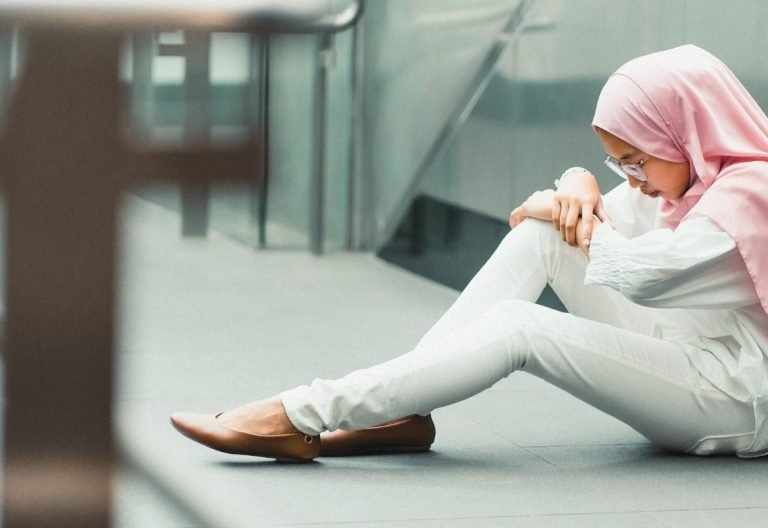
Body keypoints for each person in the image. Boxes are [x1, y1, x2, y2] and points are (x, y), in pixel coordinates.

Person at [171, 44, 768, 462]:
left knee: (521, 327)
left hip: (732, 399)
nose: (630, 177)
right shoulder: (687, 182)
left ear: (683, 131)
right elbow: (568, 217)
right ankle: (403, 412)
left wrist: (570, 193)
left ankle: (303, 411)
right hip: (681, 351)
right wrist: (578, 180)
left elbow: (640, 275)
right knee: (544, 235)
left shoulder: (748, 198)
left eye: (637, 159)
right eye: (620, 162)